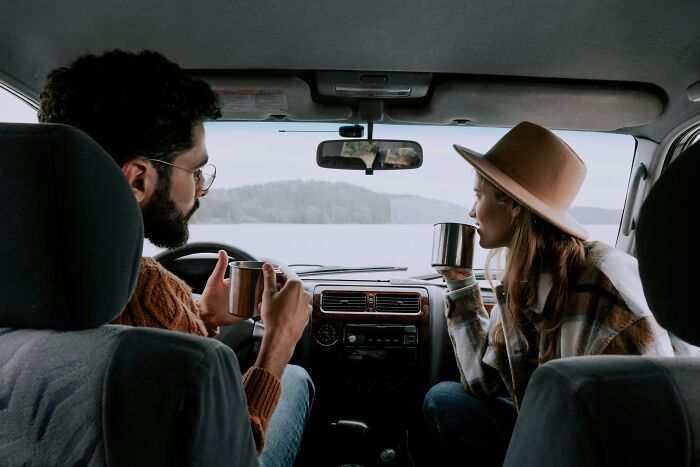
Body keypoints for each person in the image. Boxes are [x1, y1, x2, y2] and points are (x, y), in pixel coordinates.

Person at [38, 49, 313, 467]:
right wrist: (278, 343)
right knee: (293, 379)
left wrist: (198, 316)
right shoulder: (144, 286)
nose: (200, 188)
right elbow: (235, 445)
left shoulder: (28, 281)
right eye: (195, 171)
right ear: (139, 179)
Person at [422, 121, 693, 466]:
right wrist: (460, 282)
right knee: (443, 400)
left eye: (479, 195)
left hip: (598, 447)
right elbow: (483, 382)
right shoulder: (526, 280)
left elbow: (642, 435)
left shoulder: (602, 289)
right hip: (561, 424)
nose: (472, 211)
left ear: (514, 205)